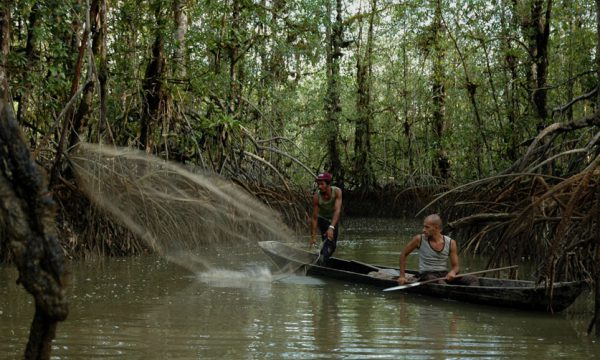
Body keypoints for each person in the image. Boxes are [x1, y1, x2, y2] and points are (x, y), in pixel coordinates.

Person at [397, 214, 478, 286]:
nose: (423, 230)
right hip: (427, 275)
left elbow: (456, 267)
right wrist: (402, 276)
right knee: (440, 283)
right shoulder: (419, 239)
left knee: (473, 279)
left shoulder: (451, 243)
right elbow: (403, 255)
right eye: (424, 226)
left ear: (436, 228)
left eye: (427, 227)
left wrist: (452, 272)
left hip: (443, 275)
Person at [309, 172, 342, 265]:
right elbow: (315, 218)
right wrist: (313, 237)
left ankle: (320, 260)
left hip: (333, 220)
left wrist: (331, 227)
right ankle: (322, 263)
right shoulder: (316, 197)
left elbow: (337, 211)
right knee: (327, 243)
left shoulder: (337, 192)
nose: (319, 186)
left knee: (333, 246)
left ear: (328, 184)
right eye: (318, 184)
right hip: (322, 220)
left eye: (322, 184)